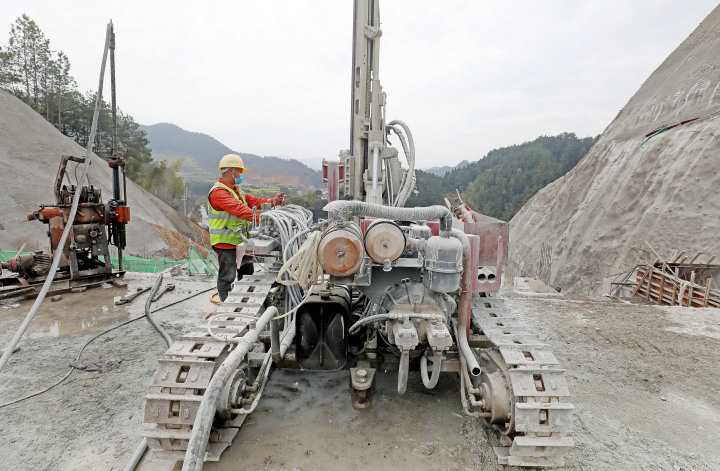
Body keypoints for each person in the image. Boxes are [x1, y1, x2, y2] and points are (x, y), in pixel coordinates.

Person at [208, 153, 285, 302]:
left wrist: (274, 201)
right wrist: (267, 220)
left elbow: (254, 202)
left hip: (240, 241)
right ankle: (226, 303)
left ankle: (242, 299)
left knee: (247, 271)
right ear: (232, 171)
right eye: (240, 172)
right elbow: (239, 210)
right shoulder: (219, 192)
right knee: (227, 276)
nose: (241, 175)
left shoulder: (236, 191)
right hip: (226, 242)